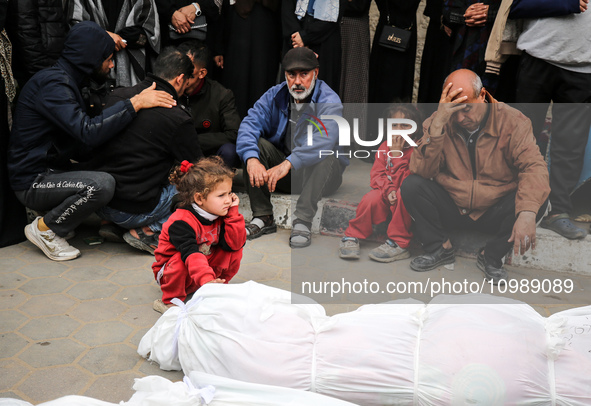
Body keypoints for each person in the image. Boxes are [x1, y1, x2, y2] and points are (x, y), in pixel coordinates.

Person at [7, 21, 176, 261]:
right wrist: (135, 103)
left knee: (108, 170)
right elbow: (88, 131)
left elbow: (83, 140)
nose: (112, 64)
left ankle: (65, 217)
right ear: (90, 58)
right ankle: (46, 229)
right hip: (33, 181)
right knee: (101, 184)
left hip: (52, 171)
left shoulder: (66, 81)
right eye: (107, 58)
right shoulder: (53, 85)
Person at [400, 69, 550, 284]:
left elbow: (533, 167)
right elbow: (422, 171)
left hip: (494, 209)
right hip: (453, 205)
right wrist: (438, 126)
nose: (461, 118)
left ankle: (491, 256)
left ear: (482, 96)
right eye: (455, 111)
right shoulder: (439, 121)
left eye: (467, 109)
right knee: (412, 185)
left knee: (538, 199)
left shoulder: (514, 121)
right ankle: (439, 247)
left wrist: (527, 213)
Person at [77, 46, 204, 255]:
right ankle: (147, 231)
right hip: (134, 210)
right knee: (197, 188)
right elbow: (200, 169)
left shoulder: (118, 96)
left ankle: (108, 222)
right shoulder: (177, 117)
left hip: (100, 201)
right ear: (180, 79)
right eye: (188, 81)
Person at [236, 47, 348, 248]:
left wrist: (288, 162)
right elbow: (249, 124)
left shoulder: (329, 100)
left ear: (316, 73)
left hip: (321, 176)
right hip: (286, 175)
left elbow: (324, 139)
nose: (297, 82)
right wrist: (251, 158)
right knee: (255, 146)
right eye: (291, 75)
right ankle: (263, 217)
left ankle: (303, 221)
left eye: (304, 74)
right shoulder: (274, 95)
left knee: (326, 152)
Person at [514, 1, 591, 240]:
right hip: (539, 58)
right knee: (521, 138)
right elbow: (517, 6)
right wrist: (564, 3)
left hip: (583, 68)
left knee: (570, 146)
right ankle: (514, 205)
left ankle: (557, 212)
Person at [151, 157, 246, 314]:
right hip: (172, 273)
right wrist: (206, 280)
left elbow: (235, 243)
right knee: (180, 261)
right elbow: (191, 254)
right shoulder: (181, 221)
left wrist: (233, 214)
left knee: (234, 250)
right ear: (199, 198)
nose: (228, 200)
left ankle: (219, 287)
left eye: (229, 193)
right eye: (221, 195)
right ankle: (171, 301)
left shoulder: (220, 213)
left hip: (201, 271)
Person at [339, 104, 422, 262]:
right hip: (389, 195)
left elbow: (408, 183)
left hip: (406, 202)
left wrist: (397, 156)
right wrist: (388, 189)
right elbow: (377, 174)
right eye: (394, 125)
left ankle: (399, 243)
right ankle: (353, 235)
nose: (399, 129)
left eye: (405, 125)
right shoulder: (385, 146)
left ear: (415, 128)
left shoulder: (417, 150)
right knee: (371, 198)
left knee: (402, 194)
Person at [67, 0, 161, 87]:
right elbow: (76, 29)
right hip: (94, 74)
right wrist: (103, 35)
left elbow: (150, 34)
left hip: (132, 70)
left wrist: (123, 38)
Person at [178, 40, 241, 168]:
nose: (181, 75)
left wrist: (194, 140)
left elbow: (234, 133)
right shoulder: (170, 90)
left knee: (230, 151)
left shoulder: (221, 94)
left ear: (202, 73)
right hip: (178, 153)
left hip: (208, 154)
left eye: (188, 70)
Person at [282, 0, 343, 93]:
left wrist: (305, 37)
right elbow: (287, 9)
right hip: (295, 39)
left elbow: (334, 16)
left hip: (324, 41)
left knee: (321, 94)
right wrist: (296, 38)